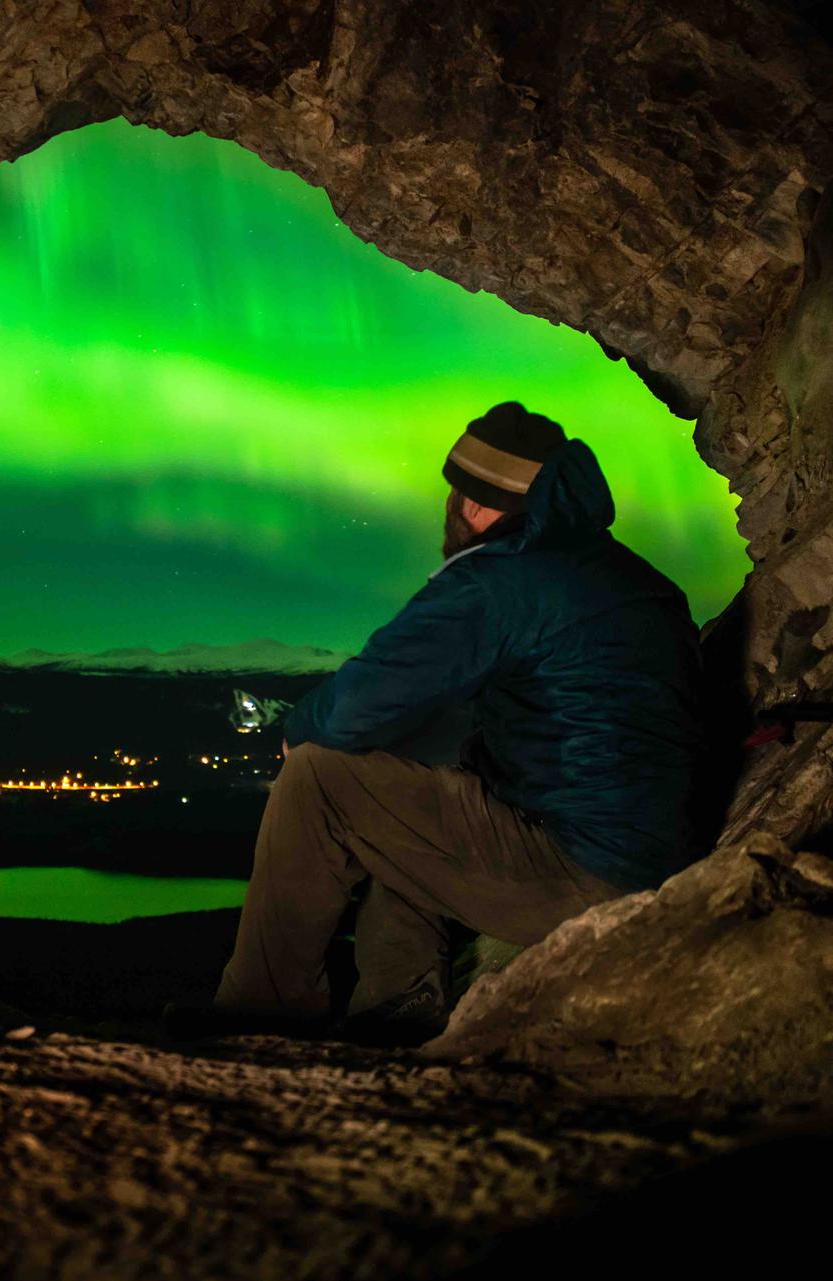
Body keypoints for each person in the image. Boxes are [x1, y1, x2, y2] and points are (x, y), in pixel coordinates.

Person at [166, 401, 707, 1047]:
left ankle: (260, 1014)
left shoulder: (499, 581)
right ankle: (395, 1008)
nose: (451, 508)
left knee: (319, 776)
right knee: (418, 789)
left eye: (458, 493)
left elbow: (360, 701)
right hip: (654, 854)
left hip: (586, 874)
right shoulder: (631, 577)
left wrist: (298, 728)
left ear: (480, 503)